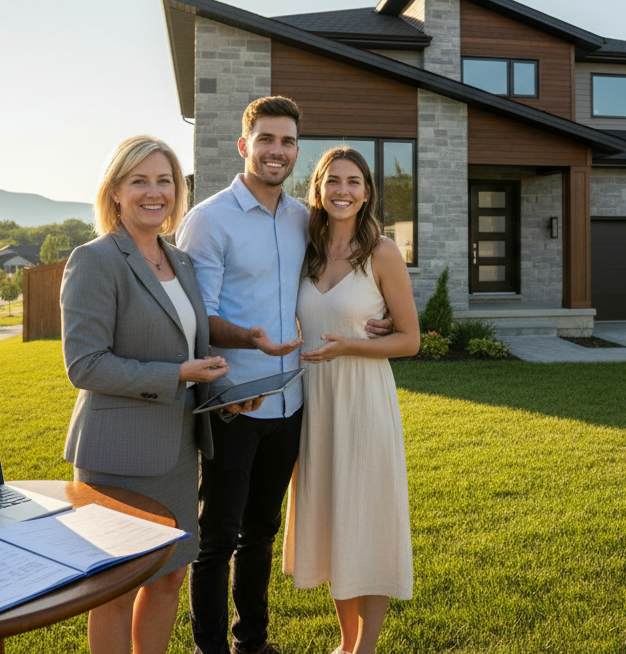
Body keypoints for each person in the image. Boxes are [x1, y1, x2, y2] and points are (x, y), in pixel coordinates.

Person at [177, 96, 390, 654]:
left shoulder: (304, 220)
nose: (277, 150)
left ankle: (252, 643)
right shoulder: (208, 220)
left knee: (261, 533)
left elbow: (344, 277)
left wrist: (376, 311)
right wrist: (247, 341)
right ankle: (212, 650)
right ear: (245, 146)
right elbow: (196, 318)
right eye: (266, 140)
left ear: (297, 151)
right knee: (218, 536)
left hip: (294, 404)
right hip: (233, 402)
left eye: (288, 141)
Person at [60, 135, 260, 654]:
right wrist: (177, 373)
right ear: (116, 192)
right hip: (118, 458)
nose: (155, 192)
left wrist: (227, 393)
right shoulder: (95, 260)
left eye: (165, 180)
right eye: (140, 180)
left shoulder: (180, 262)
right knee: (115, 590)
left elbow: (193, 350)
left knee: (168, 577)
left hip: (177, 455)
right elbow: (85, 365)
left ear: (178, 190)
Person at [284, 146, 419, 654]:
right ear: (317, 189)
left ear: (367, 192)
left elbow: (409, 339)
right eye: (333, 180)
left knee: (368, 517)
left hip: (364, 402)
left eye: (354, 182)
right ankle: (345, 643)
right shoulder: (306, 250)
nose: (343, 190)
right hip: (314, 403)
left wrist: (353, 345)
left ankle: (366, 649)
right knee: (333, 516)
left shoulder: (381, 252)